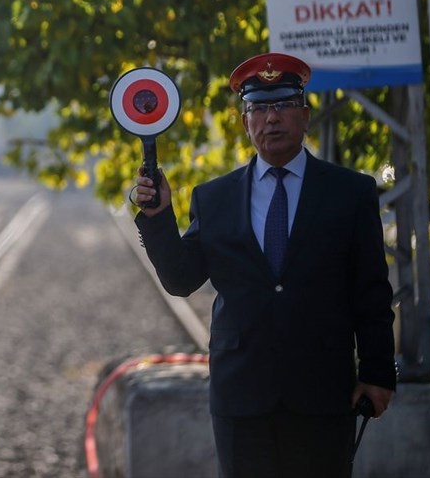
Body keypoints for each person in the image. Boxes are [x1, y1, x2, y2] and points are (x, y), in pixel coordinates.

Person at [130, 52, 396, 478]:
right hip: (241, 398)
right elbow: (181, 279)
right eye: (259, 107)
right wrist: (159, 217)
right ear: (245, 121)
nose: (272, 118)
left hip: (324, 393)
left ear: (305, 115)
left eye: (284, 104)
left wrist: (378, 372)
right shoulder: (214, 198)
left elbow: (371, 290)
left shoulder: (350, 193)